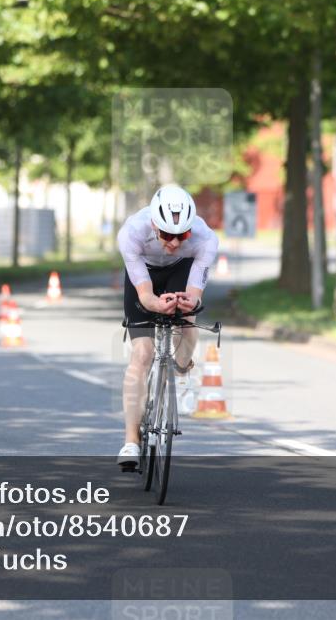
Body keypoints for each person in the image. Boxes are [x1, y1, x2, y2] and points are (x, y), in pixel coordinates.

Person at [116, 184, 219, 467]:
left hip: (181, 269)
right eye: (166, 235)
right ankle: (130, 441)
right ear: (153, 225)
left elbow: (195, 294)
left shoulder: (205, 239)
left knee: (187, 321)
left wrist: (189, 303)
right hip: (144, 274)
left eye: (181, 235)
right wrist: (155, 304)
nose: (173, 243)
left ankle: (183, 368)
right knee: (142, 354)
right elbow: (146, 296)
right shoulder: (131, 233)